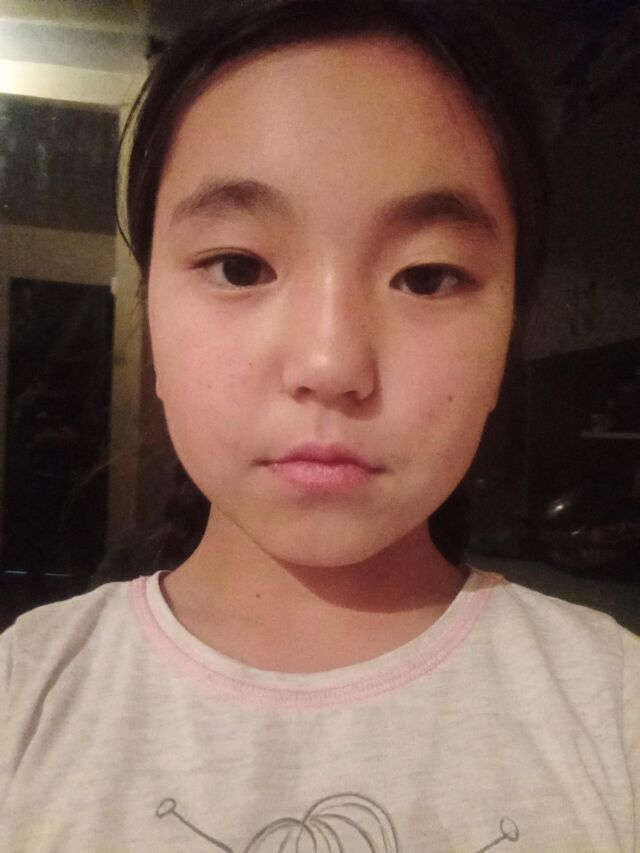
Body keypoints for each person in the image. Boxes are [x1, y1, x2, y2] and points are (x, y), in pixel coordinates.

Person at [1, 1, 638, 850]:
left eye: (426, 277)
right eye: (240, 266)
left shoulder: (614, 707)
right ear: (152, 309)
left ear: (508, 329)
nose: (331, 363)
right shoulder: (25, 697)